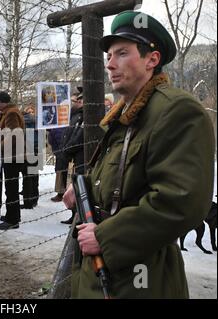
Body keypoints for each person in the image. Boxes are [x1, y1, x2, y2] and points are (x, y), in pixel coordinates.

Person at [62, 11, 215, 298]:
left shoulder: (177, 110)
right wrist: (83, 190)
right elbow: (119, 181)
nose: (110, 63)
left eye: (122, 53)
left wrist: (106, 238)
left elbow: (181, 202)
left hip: (141, 278)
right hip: (103, 272)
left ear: (152, 60)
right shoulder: (127, 114)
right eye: (109, 55)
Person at [0, 91, 25, 230]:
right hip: (10, 155)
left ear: (2, 102)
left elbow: (14, 134)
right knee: (10, 187)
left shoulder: (11, 113)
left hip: (12, 156)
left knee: (11, 188)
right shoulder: (7, 112)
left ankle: (13, 219)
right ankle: (11, 215)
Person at [60, 91, 84, 224]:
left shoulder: (83, 116)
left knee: (78, 187)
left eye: (76, 101)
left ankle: (78, 217)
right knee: (72, 186)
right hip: (72, 156)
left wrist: (68, 148)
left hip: (79, 157)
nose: (74, 103)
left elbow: (78, 136)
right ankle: (74, 215)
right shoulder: (74, 116)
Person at [20, 105, 39, 209]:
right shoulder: (38, 122)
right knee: (34, 176)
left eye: (32, 111)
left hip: (27, 150)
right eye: (29, 111)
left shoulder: (22, 121)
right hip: (36, 148)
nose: (31, 113)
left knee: (27, 177)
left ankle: (28, 201)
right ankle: (34, 199)